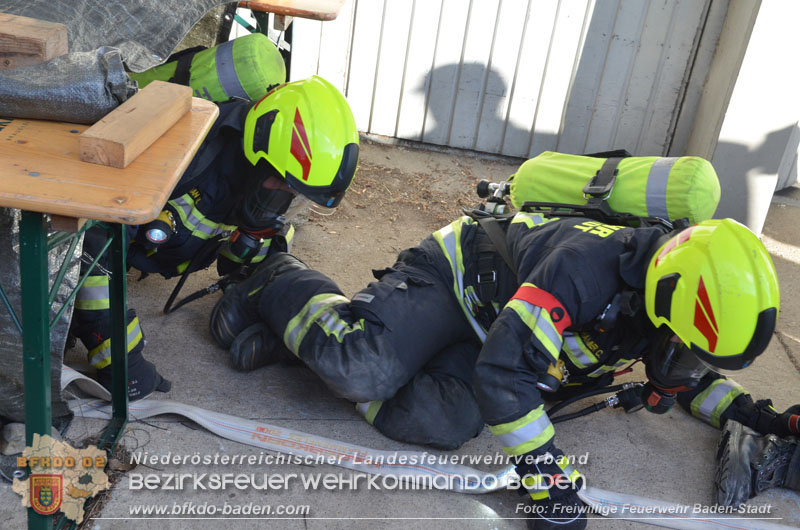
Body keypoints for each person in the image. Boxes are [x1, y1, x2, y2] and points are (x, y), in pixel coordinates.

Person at [209, 201, 799, 529]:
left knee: (445, 423)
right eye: (687, 344)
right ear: (671, 299)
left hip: (498, 333)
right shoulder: (586, 270)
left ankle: (301, 348)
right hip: (456, 280)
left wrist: (759, 417)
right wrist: (545, 478)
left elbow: (684, 372)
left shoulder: (665, 297)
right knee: (362, 368)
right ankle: (276, 281)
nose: (683, 357)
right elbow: (504, 374)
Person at [70, 76, 360, 400]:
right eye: (286, 188)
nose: (284, 204)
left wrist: (269, 309)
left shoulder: (259, 180)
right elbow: (94, 248)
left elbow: (257, 248)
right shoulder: (185, 153)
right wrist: (121, 360)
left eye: (296, 196)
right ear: (259, 152)